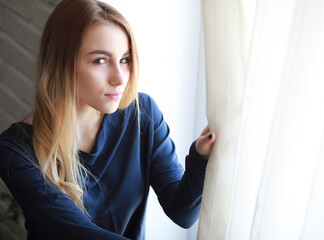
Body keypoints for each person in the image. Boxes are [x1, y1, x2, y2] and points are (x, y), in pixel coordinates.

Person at [0, 0, 216, 239]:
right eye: (100, 60)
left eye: (125, 59)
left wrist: (200, 156)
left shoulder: (142, 114)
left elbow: (182, 212)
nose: (119, 78)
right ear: (61, 63)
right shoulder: (16, 151)